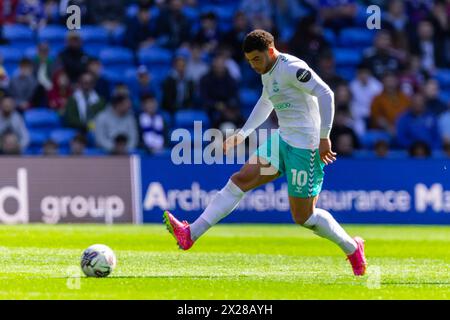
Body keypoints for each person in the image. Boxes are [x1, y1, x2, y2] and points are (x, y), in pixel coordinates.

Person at [164, 30, 367, 276]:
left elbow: (326, 93)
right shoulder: (267, 72)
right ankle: (190, 234)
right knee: (240, 180)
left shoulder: (292, 68)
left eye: (256, 59)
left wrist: (324, 136)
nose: (253, 65)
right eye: (249, 61)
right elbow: (266, 101)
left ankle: (352, 247)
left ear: (270, 51)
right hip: (282, 140)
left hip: (306, 147)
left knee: (303, 216)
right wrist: (243, 133)